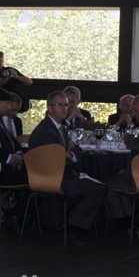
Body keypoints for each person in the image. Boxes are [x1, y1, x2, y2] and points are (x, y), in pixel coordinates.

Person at [28, 91, 108, 244]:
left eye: (66, 105)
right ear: (49, 108)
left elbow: (76, 151)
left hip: (59, 174)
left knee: (95, 184)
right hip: (52, 177)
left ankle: (72, 225)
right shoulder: (46, 131)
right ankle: (73, 227)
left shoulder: (59, 128)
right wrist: (70, 155)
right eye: (60, 105)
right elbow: (58, 161)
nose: (64, 108)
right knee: (99, 189)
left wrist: (70, 154)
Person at [0, 89, 27, 186]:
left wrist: (19, 154)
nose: (9, 107)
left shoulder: (1, 119)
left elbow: (13, 141)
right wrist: (10, 158)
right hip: (2, 165)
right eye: (8, 104)